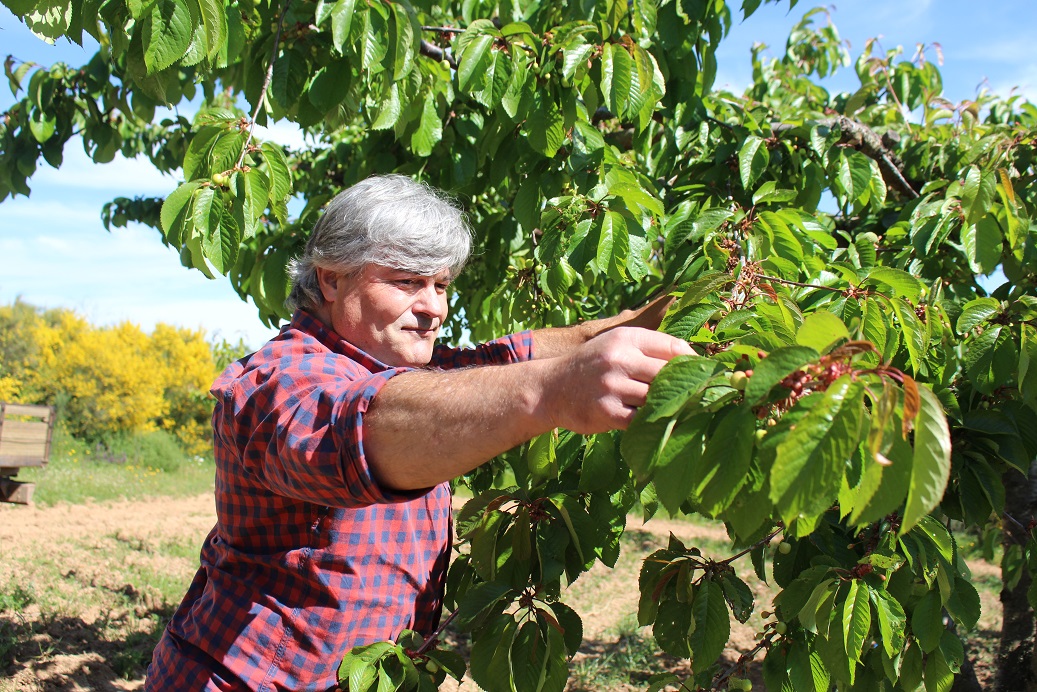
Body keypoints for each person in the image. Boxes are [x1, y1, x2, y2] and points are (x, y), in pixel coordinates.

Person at [145, 174, 693, 691]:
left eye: (442, 284)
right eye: (408, 282)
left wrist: (690, 312)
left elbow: (536, 348)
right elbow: (353, 430)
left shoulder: (410, 369)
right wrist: (554, 391)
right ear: (331, 279)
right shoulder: (277, 378)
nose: (433, 307)